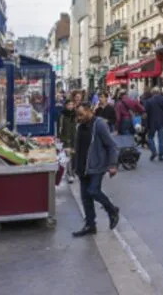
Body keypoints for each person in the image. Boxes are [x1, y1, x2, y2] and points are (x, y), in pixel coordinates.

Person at [72, 103, 120, 237]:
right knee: (86, 198)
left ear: (89, 111)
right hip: (83, 166)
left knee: (93, 191)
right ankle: (90, 225)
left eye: (81, 114)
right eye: (77, 115)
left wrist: (112, 165)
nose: (79, 118)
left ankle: (112, 210)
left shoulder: (99, 124)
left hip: (97, 165)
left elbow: (111, 145)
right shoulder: (79, 126)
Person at [144, 87, 163, 162]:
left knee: (150, 138)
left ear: (152, 93)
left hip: (151, 122)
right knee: (161, 139)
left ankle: (154, 151)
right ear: (159, 92)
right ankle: (161, 155)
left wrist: (145, 123)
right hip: (161, 121)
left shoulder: (149, 101)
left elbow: (146, 113)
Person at [58, 98, 77, 183]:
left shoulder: (75, 115)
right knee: (68, 157)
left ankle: (72, 172)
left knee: (73, 157)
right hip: (66, 139)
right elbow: (60, 128)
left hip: (74, 138)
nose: (71, 106)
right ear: (65, 106)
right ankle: (70, 174)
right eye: (69, 105)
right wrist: (60, 138)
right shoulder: (62, 115)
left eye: (72, 105)